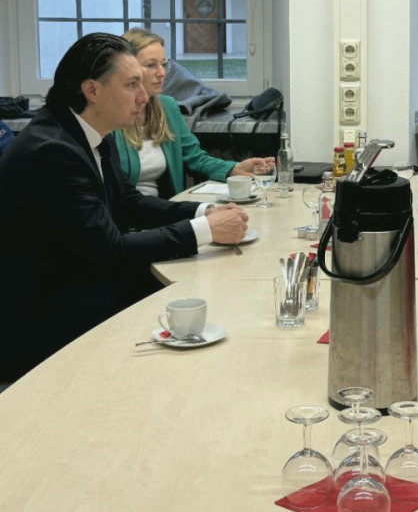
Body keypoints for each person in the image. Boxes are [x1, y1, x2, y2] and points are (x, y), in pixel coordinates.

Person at [0, 33, 248, 382]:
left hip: (78, 290)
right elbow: (109, 250)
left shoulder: (90, 131)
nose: (144, 96)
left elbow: (128, 203)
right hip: (43, 322)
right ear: (92, 90)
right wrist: (205, 231)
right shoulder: (52, 151)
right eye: (132, 84)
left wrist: (203, 212)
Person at [113, 28, 274, 197]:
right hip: (127, 211)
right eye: (151, 65)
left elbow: (196, 159)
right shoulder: (109, 115)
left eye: (163, 64)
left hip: (165, 208)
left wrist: (235, 168)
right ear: (127, 69)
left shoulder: (167, 107)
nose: (162, 73)